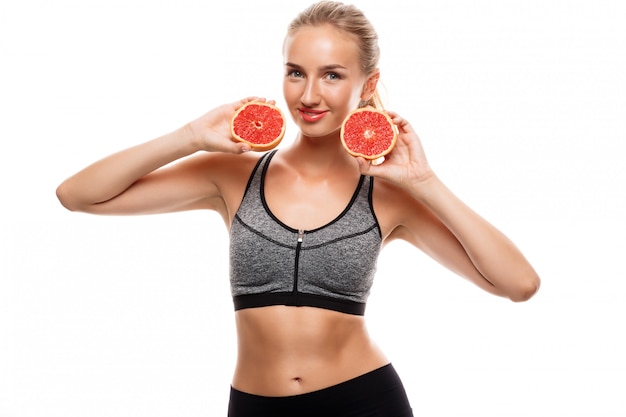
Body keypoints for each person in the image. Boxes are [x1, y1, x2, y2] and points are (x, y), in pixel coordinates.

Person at [56, 1, 540, 416]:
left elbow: (518, 284)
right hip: (254, 406)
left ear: (367, 83)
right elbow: (77, 195)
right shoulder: (232, 174)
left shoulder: (389, 193)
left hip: (364, 401)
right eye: (295, 73)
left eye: (332, 75)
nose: (308, 96)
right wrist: (188, 136)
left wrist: (425, 182)